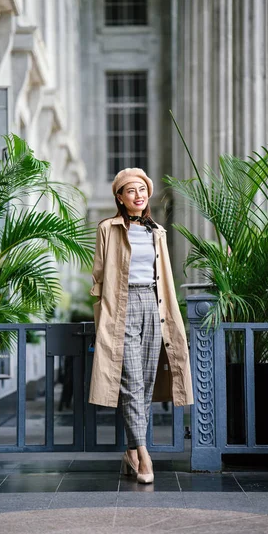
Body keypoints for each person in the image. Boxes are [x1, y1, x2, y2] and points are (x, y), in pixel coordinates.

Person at [89, 168, 193, 484]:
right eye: (131, 190)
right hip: (121, 305)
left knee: (145, 381)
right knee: (131, 379)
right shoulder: (108, 228)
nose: (138, 195)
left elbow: (163, 275)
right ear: (120, 197)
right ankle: (145, 454)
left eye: (142, 189)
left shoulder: (156, 231)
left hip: (153, 303)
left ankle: (130, 453)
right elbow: (98, 276)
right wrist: (104, 310)